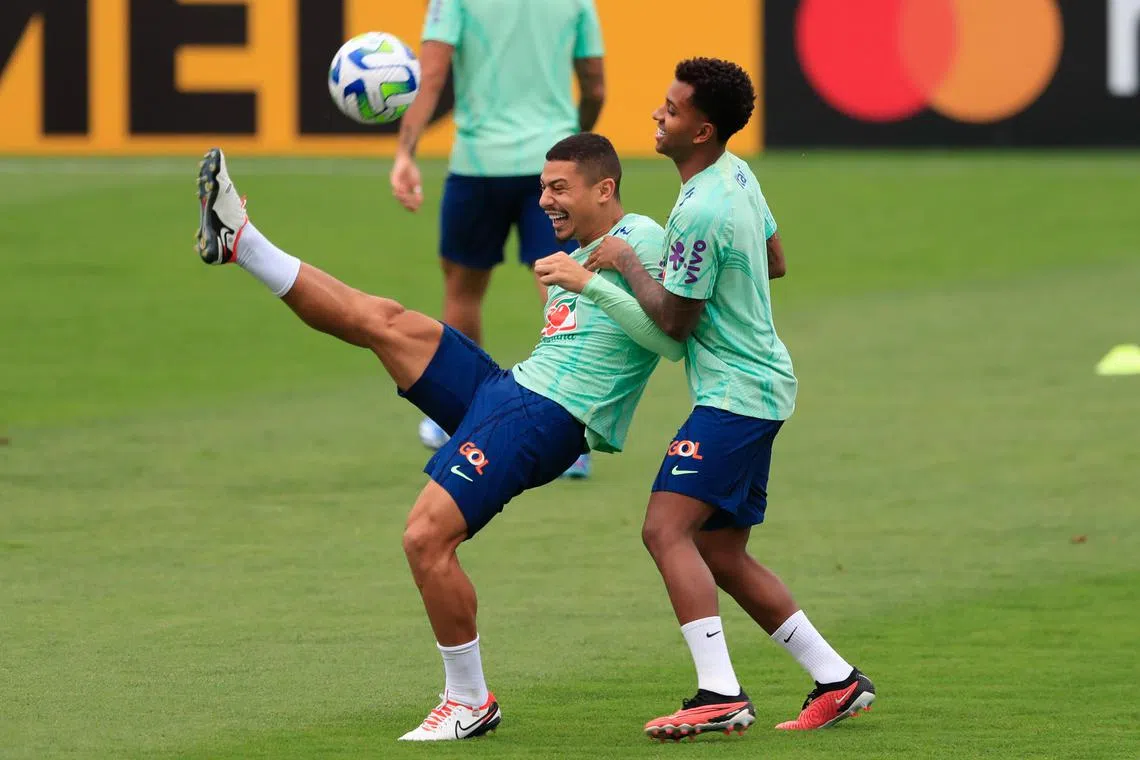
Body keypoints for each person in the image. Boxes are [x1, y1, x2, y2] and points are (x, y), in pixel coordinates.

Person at [193, 134, 677, 741]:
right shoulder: (578, 253)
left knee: (425, 538)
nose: (545, 202)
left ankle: (470, 701)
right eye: (543, 189)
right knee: (382, 320)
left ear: (605, 189)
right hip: (514, 389)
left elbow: (673, 335)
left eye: (559, 189)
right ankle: (240, 242)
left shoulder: (641, 240)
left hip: (545, 415)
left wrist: (591, 283)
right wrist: (582, 277)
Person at [586, 58, 876, 739]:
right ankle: (837, 680)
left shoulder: (703, 207)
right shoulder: (736, 173)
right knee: (720, 552)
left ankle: (719, 693)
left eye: (672, 108)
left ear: (702, 129)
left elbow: (675, 322)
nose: (659, 114)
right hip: (763, 386)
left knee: (664, 530)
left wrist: (625, 261)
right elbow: (773, 259)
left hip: (736, 395)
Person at [390, 0, 606, 474]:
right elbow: (595, 83)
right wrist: (575, 140)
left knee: (463, 291)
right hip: (552, 164)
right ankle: (572, 436)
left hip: (477, 165)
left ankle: (462, 420)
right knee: (561, 288)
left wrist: (405, 151)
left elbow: (431, 76)